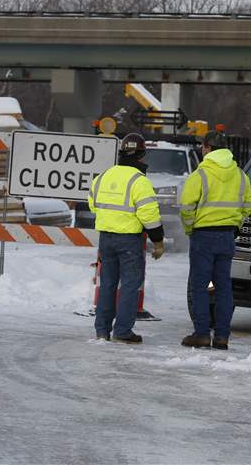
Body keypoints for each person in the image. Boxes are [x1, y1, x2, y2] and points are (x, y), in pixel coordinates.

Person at [88, 133, 165, 343]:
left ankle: (102, 330)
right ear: (141, 155)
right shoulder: (139, 181)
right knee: (131, 284)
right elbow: (149, 215)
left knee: (108, 284)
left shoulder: (103, 176)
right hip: (129, 240)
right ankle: (122, 331)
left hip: (106, 238)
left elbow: (92, 205)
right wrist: (158, 241)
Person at [179, 131, 251, 350]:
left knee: (200, 287)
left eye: (203, 147)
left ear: (208, 148)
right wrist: (235, 225)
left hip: (203, 236)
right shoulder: (240, 175)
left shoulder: (200, 175)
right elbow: (247, 207)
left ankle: (202, 334)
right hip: (227, 236)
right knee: (223, 287)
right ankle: (222, 336)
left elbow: (186, 208)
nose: (202, 150)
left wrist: (190, 229)